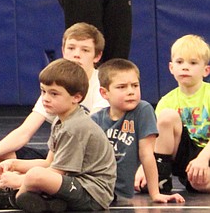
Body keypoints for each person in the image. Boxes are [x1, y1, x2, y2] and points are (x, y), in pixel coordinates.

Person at [0, 60, 116, 213]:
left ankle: (14, 198)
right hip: (74, 185)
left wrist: (18, 180)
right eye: (43, 92)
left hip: (92, 193)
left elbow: (55, 172)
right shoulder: (60, 121)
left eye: (54, 94)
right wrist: (14, 164)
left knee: (34, 176)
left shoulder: (75, 127)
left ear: (76, 97)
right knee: (25, 172)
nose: (46, 98)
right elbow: (49, 163)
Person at [0, 23, 109, 179]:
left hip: (81, 161)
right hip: (56, 157)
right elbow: (25, 131)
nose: (76, 54)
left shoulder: (102, 86)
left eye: (85, 50)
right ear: (64, 51)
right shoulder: (58, 84)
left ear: (97, 56)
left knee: (10, 163)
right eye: (71, 48)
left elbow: (87, 137)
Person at [90, 59, 182, 204]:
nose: (131, 92)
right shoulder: (95, 120)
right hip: (94, 185)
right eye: (122, 87)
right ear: (104, 92)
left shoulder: (142, 110)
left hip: (113, 192)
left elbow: (147, 154)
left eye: (135, 85)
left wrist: (155, 193)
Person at [153, 35, 210, 194]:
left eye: (192, 63)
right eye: (180, 62)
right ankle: (161, 177)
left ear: (206, 70)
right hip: (185, 158)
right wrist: (145, 169)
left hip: (207, 155)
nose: (185, 67)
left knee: (200, 185)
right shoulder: (167, 100)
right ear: (171, 68)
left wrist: (203, 159)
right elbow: (153, 140)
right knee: (166, 116)